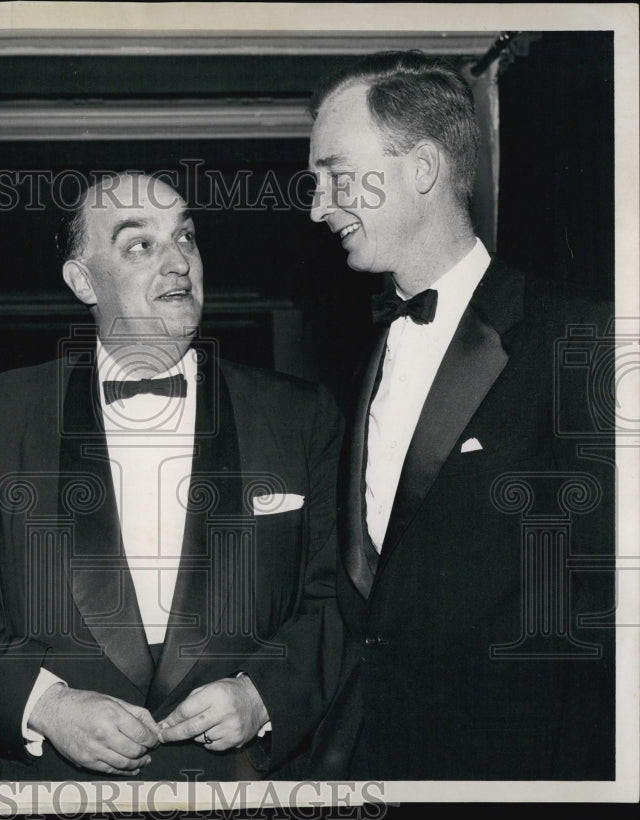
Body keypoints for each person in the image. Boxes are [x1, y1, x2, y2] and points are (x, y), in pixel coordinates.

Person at [0, 172, 344, 780]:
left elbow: (337, 598)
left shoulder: (302, 415)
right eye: (140, 244)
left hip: (242, 787)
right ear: (82, 281)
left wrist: (264, 695)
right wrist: (47, 706)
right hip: (54, 792)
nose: (178, 261)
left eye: (185, 237)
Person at [304, 51, 615, 780]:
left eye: (337, 175)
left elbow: (609, 608)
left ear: (421, 169)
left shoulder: (579, 337)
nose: (318, 206)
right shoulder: (370, 353)